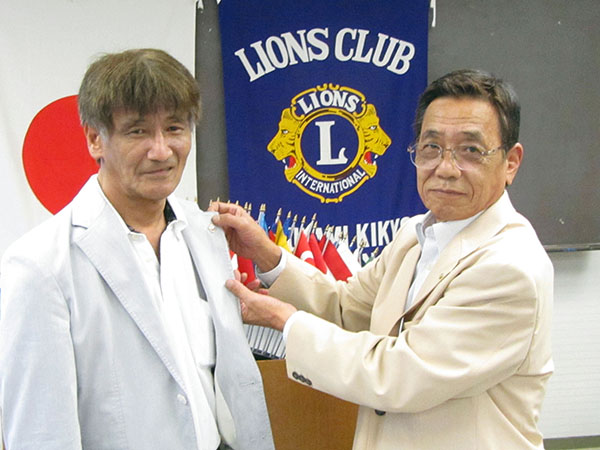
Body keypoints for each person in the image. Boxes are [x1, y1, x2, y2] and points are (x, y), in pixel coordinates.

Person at [210, 69, 554, 449]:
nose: (445, 168)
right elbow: (346, 309)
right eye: (431, 147)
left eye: (470, 150)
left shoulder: (508, 267)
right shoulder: (414, 236)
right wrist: (268, 254)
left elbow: (399, 375)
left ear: (511, 162)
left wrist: (285, 321)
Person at [0, 48, 274, 450]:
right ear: (95, 139)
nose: (161, 150)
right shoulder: (40, 266)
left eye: (175, 128)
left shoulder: (206, 232)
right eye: (138, 132)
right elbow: (40, 433)